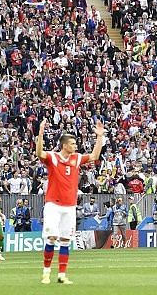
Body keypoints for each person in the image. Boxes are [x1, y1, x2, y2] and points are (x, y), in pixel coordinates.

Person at [35, 118, 105, 285]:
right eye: (72, 144)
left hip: (70, 206)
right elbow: (39, 154)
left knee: (66, 240)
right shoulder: (53, 158)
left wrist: (100, 137)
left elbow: (95, 155)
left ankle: (62, 275)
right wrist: (41, 133)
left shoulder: (77, 158)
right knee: (52, 237)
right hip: (53, 204)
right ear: (64, 145)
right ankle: (46, 272)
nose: (75, 146)